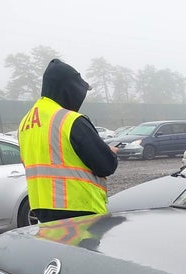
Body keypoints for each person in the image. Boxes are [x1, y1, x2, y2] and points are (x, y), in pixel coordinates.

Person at [19, 59, 118, 223]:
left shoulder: (26, 123)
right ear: (69, 90)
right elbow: (106, 165)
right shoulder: (69, 120)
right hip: (79, 209)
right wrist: (110, 153)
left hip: (41, 209)